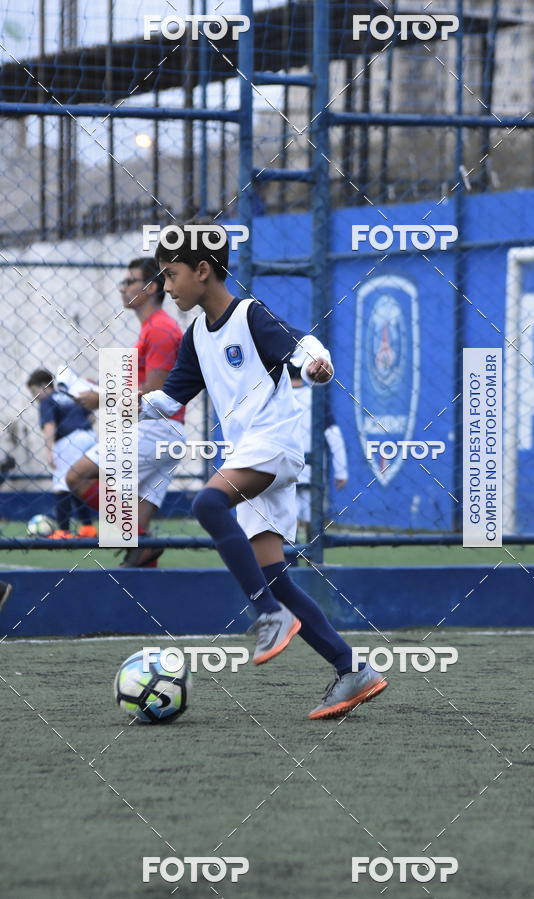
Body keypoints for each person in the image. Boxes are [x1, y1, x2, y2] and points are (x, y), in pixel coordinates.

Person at [139, 222, 388, 719]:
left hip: (273, 444)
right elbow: (170, 399)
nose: (165, 287)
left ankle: (267, 615)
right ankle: (350, 669)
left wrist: (317, 364)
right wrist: (128, 402)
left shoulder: (250, 316)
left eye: (171, 275)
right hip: (248, 455)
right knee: (277, 576)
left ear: (203, 270)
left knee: (207, 503)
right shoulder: (195, 337)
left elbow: (304, 346)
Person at [66, 258, 186, 567]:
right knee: (137, 544)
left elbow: (155, 393)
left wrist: (102, 397)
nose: (123, 288)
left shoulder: (159, 328)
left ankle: (140, 540)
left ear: (152, 287)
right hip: (164, 431)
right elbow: (145, 384)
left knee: (76, 476)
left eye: (130, 281)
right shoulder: (152, 328)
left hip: (155, 429)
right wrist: (101, 386)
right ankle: (142, 558)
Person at [27, 368, 97, 539]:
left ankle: (63, 531)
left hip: (67, 440)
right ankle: (87, 528)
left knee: (61, 484)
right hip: (89, 437)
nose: (34, 397)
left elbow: (50, 425)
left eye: (35, 392)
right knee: (80, 483)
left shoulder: (47, 400)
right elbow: (92, 417)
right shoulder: (69, 395)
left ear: (44, 386)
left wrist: (49, 451)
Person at [287, 363, 348, 534]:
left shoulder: (276, 398)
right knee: (312, 526)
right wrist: (341, 472)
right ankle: (312, 558)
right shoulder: (315, 398)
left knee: (285, 526)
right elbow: (334, 435)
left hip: (282, 472)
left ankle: (288, 559)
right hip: (312, 473)